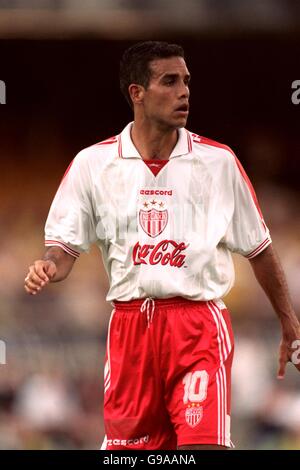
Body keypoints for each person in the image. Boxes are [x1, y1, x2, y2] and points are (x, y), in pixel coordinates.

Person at [24, 41, 300, 450]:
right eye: (169, 81)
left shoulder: (219, 162)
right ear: (137, 92)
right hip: (129, 328)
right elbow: (64, 249)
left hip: (197, 326)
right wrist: (47, 264)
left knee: (200, 448)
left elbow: (259, 249)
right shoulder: (93, 164)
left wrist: (288, 322)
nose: (184, 91)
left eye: (186, 81)